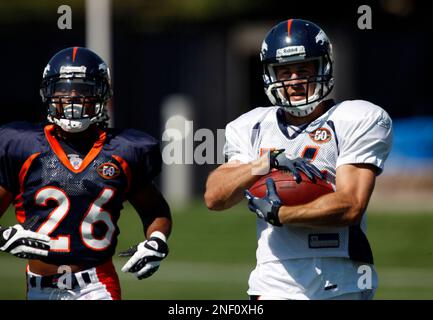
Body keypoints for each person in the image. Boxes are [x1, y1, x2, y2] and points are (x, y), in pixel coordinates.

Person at [204, 19, 393, 300]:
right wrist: (265, 162)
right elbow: (215, 197)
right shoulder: (251, 126)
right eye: (285, 71)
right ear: (270, 75)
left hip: (342, 281)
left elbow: (351, 205)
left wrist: (282, 214)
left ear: (323, 68)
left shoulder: (357, 118)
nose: (294, 81)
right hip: (273, 284)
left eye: (304, 69)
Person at [0, 47, 172, 300]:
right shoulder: (21, 146)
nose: (72, 99)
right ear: (47, 94)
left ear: (103, 95)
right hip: (38, 287)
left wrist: (157, 240)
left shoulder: (125, 150)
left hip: (97, 286)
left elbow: (154, 210)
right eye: (63, 90)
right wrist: (3, 236)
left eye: (83, 90)